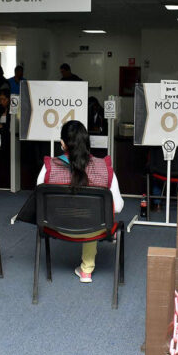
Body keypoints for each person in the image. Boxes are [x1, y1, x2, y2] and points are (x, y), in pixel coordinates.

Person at [35, 120, 124, 283]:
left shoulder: (49, 167)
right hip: (95, 229)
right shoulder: (104, 168)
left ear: (62, 143)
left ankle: (86, 268)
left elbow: (39, 201)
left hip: (56, 226)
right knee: (93, 218)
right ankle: (86, 271)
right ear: (87, 142)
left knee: (87, 217)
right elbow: (117, 207)